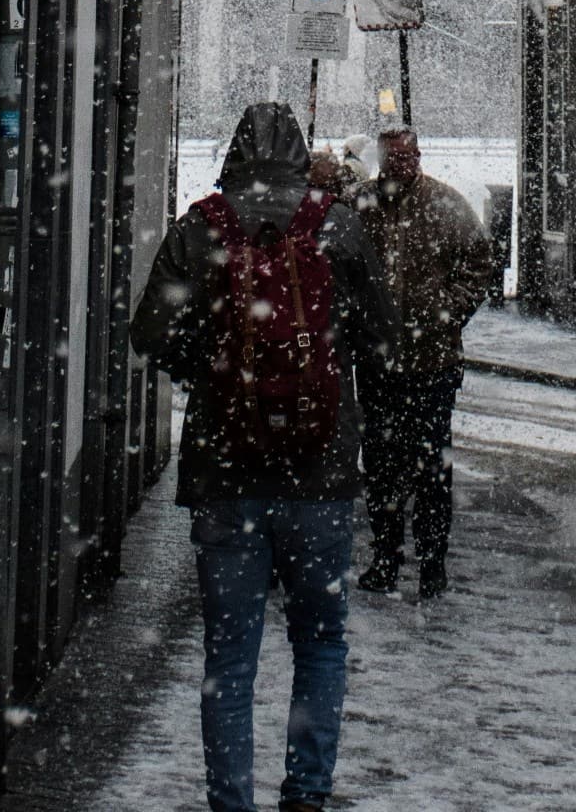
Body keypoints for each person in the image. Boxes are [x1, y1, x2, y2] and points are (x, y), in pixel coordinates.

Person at [132, 103, 392, 812]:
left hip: (226, 472)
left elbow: (150, 330)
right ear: (303, 157)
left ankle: (231, 800)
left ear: (234, 155)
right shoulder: (335, 224)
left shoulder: (203, 226)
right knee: (321, 642)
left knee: (230, 656)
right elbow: (382, 336)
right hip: (322, 475)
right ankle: (307, 791)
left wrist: (210, 370)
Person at [350, 129, 494, 598]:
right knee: (382, 465)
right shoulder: (360, 206)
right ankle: (387, 556)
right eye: (395, 156)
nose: (403, 164)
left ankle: (432, 562)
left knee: (431, 466)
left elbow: (479, 262)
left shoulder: (446, 205)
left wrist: (445, 313)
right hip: (378, 362)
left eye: (410, 155)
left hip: (432, 362)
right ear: (382, 158)